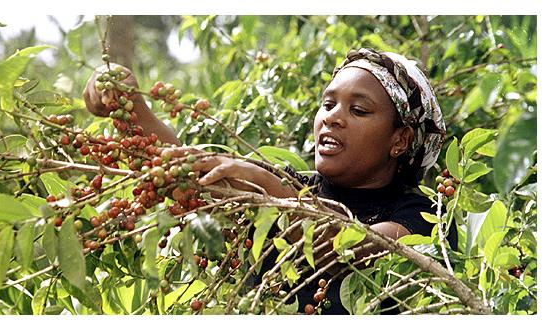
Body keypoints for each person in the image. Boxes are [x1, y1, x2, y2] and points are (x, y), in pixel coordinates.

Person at [83, 48, 458, 314]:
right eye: (328, 104)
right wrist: (129, 102)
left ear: (400, 140)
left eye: (358, 110)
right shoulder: (292, 184)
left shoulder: (427, 214)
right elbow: (184, 177)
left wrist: (263, 186)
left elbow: (345, 245)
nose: (333, 118)